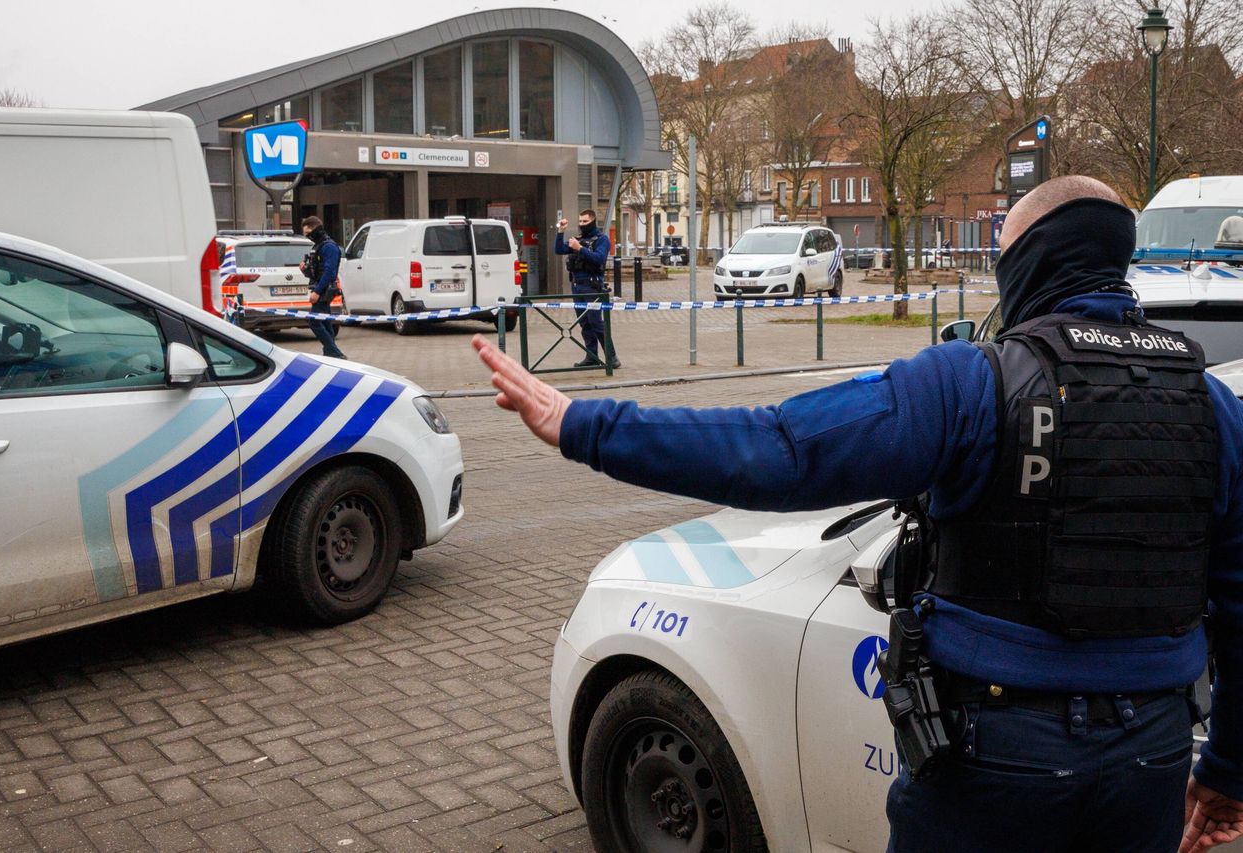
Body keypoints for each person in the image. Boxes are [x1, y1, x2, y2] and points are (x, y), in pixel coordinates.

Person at [475, 176, 1243, 853]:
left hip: (995, 761)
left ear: (1031, 261)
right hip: (1152, 756)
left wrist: (584, 426)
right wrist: (1228, 770)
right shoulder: (1211, 406)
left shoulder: (972, 384)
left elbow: (781, 448)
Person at [556, 209, 620, 369]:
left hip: (592, 285)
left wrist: (580, 249)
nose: (581, 224)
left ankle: (612, 358)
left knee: (596, 322)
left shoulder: (601, 239)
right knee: (584, 323)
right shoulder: (579, 239)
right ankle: (591, 356)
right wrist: (560, 232)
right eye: (580, 221)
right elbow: (558, 250)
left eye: (585, 221)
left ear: (592, 221)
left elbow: (599, 258)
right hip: (577, 286)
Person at [300, 215, 346, 360]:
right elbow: (316, 271)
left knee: (314, 320)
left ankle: (334, 352)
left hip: (325, 288)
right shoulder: (319, 246)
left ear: (316, 230)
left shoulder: (329, 247)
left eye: (308, 234)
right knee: (325, 320)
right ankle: (330, 352)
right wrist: (305, 269)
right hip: (321, 286)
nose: (308, 237)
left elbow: (329, 271)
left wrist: (317, 292)